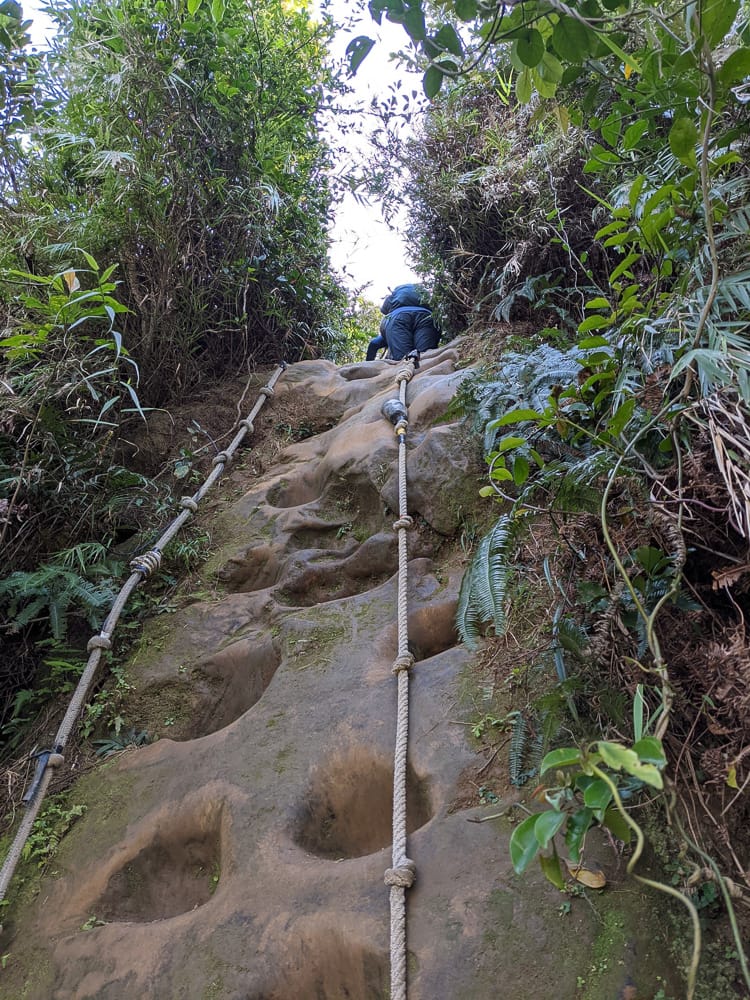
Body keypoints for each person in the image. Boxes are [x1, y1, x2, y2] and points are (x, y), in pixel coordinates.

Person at [378, 282, 440, 361]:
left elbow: (384, 310)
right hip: (426, 317)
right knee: (425, 356)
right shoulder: (425, 293)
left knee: (403, 359)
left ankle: (405, 369)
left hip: (398, 319)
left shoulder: (395, 294)